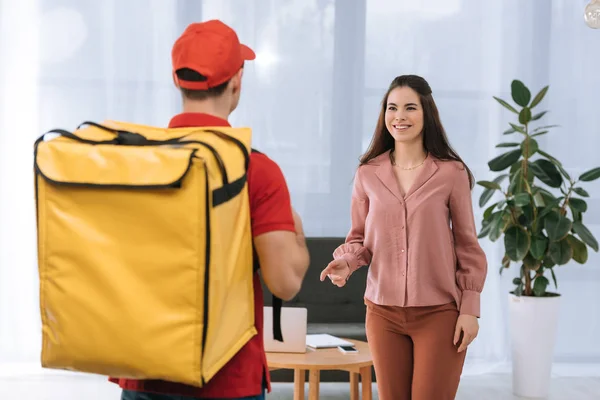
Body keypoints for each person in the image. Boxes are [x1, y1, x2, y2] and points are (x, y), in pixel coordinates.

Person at [110, 19, 311, 400]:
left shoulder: (139, 160)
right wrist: (296, 235)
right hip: (228, 379)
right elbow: (284, 282)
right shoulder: (256, 169)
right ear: (237, 81)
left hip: (143, 369)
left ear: (177, 80)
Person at [320, 75, 488, 400]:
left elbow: (467, 245)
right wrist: (346, 262)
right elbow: (359, 239)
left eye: (410, 107)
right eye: (392, 108)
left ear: (426, 113)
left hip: (439, 313)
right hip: (382, 314)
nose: (400, 116)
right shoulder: (367, 173)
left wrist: (470, 308)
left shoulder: (451, 173)